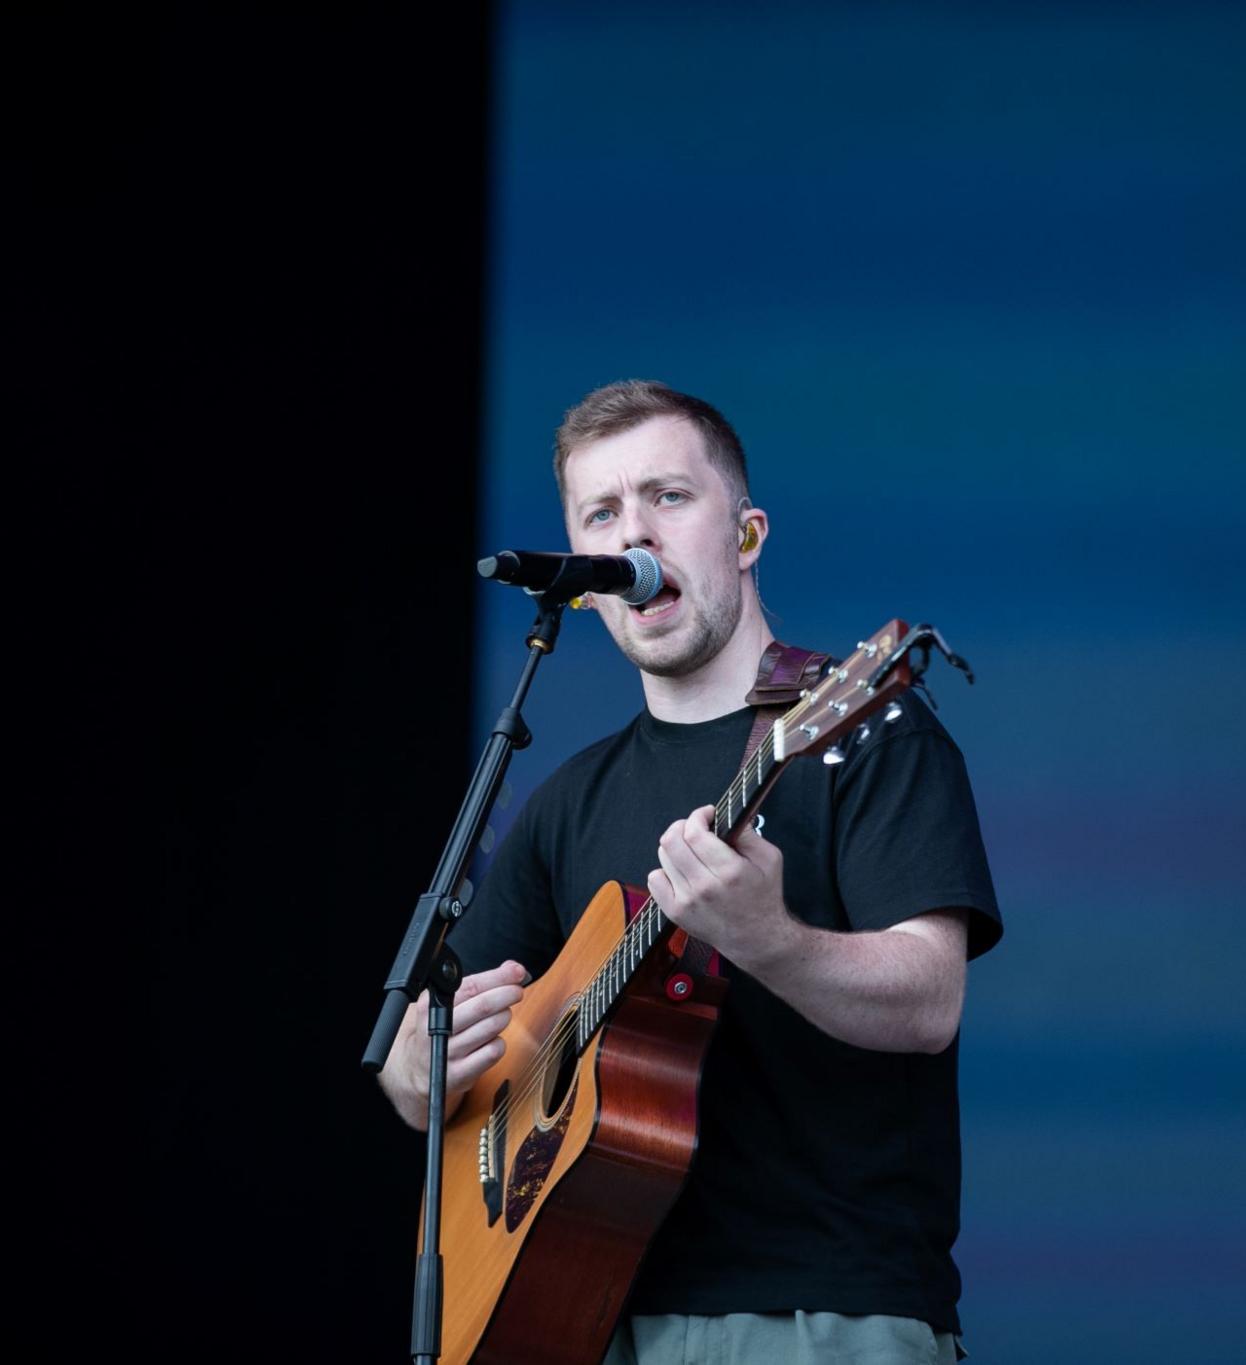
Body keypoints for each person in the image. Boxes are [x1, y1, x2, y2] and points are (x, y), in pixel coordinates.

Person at [379, 380, 1001, 1364]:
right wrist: (418, 1075)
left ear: (746, 536)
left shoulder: (866, 732)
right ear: (580, 580)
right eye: (601, 514)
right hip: (581, 1313)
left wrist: (771, 939)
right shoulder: (563, 804)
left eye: (666, 498)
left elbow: (927, 1001)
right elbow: (457, 1069)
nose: (635, 536)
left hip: (815, 1316)